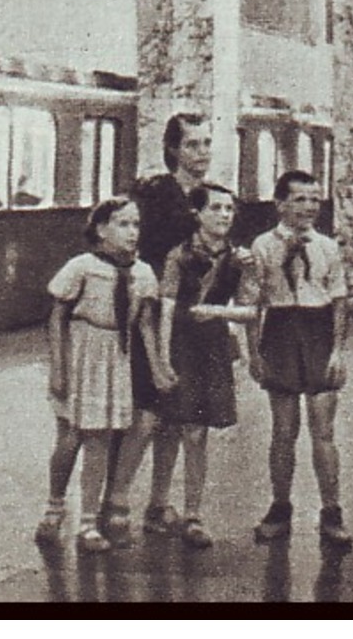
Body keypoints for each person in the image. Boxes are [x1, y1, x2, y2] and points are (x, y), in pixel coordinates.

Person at [35, 198, 175, 552]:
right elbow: (57, 318)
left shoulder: (143, 273)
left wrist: (158, 368)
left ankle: (87, 523)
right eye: (123, 224)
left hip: (116, 357)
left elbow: (144, 324)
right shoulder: (81, 267)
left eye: (136, 225)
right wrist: (59, 367)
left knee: (99, 439)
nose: (132, 232)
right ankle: (54, 507)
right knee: (69, 440)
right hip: (82, 353)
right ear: (101, 229)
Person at [109, 112, 213, 536]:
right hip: (149, 310)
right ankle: (114, 501)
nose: (202, 153)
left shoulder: (208, 197)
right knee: (147, 411)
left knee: (175, 412)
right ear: (173, 150)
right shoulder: (156, 195)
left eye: (207, 143)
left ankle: (158, 503)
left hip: (188, 317)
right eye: (192, 144)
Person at [244, 171, 353, 549]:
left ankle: (332, 512)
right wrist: (255, 353)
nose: (309, 207)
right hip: (280, 331)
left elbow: (339, 300)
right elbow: (252, 304)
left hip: (318, 329)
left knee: (323, 431)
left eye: (315, 199)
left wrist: (337, 350)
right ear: (281, 204)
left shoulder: (327, 247)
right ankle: (280, 508)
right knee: (283, 431)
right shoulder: (261, 246)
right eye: (301, 199)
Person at [142, 182, 253, 548]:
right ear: (198, 214)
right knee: (170, 426)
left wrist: (219, 314)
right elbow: (168, 307)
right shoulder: (180, 255)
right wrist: (161, 358)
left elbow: (251, 308)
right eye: (216, 208)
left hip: (213, 346)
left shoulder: (238, 258)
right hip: (180, 344)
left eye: (229, 209)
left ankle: (193, 513)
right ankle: (158, 505)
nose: (224, 215)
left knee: (197, 431)